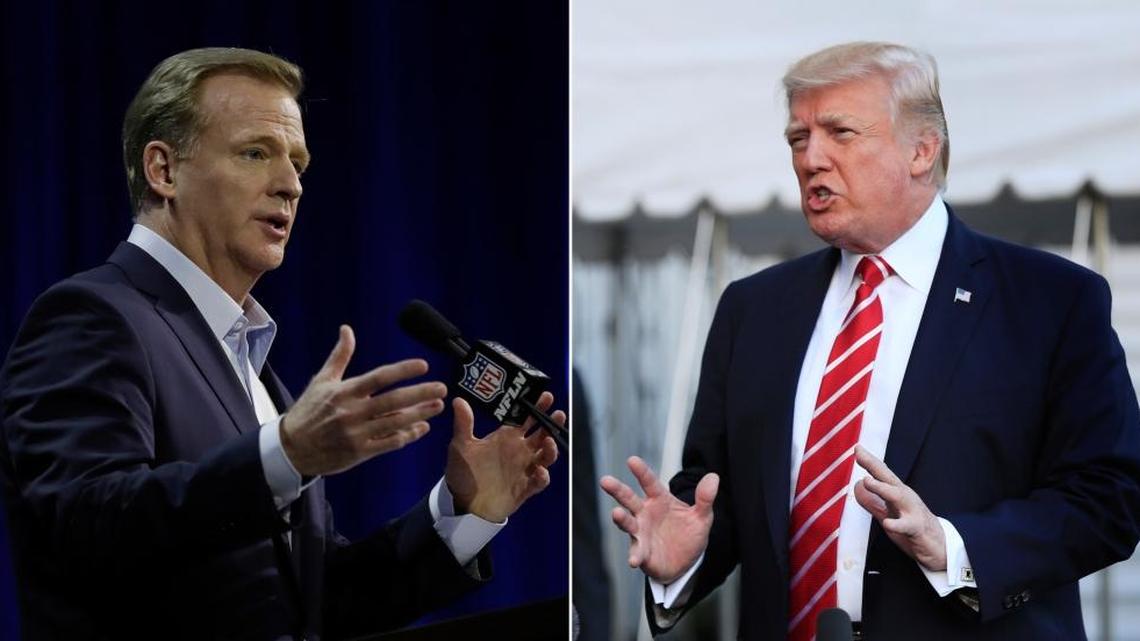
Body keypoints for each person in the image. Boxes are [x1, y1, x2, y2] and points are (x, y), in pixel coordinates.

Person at [0, 47, 562, 641]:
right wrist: (285, 455)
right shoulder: (92, 316)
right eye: (256, 153)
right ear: (163, 170)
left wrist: (463, 511)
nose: (291, 185)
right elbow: (86, 527)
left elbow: (317, 603)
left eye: (298, 163)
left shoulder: (248, 362)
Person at [600, 41, 1140, 641]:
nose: (812, 159)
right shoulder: (753, 310)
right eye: (798, 138)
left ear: (922, 150)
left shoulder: (1050, 301)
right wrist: (687, 558)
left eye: (841, 132)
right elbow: (715, 496)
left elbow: (1110, 498)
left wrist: (955, 548)